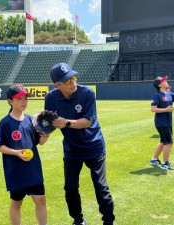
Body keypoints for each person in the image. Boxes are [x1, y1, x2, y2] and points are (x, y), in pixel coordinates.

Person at [44, 63, 115, 225]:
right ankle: (78, 220)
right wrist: (41, 129)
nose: (73, 82)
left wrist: (66, 122)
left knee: (100, 187)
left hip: (94, 146)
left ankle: (108, 221)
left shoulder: (87, 93)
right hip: (72, 149)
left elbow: (87, 122)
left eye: (73, 77)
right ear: (57, 85)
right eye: (68, 81)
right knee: (70, 188)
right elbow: (51, 123)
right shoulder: (51, 98)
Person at [0, 84, 49, 225]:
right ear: (10, 101)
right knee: (16, 203)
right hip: (16, 171)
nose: (23, 101)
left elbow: (40, 142)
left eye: (25, 98)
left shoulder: (31, 121)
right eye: (19, 98)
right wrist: (16, 153)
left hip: (33, 169)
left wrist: (46, 134)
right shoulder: (5, 123)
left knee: (41, 200)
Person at [150, 75, 174, 170]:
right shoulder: (157, 95)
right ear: (159, 85)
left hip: (168, 122)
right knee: (169, 142)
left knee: (163, 141)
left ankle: (154, 159)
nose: (166, 81)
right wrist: (166, 109)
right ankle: (165, 163)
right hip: (161, 123)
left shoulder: (168, 94)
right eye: (163, 80)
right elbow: (153, 109)